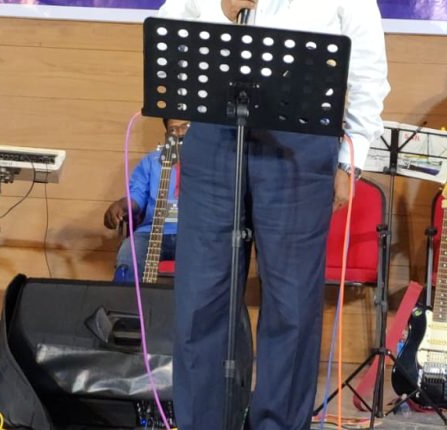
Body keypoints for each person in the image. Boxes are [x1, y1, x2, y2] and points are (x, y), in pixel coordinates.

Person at [156, 1, 390, 429]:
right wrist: (223, 12)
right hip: (215, 131)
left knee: (291, 301)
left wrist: (349, 158)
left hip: (300, 135)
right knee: (200, 297)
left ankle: (277, 423)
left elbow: (368, 70)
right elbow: (169, 28)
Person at [103, 118, 189, 282]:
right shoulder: (151, 161)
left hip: (194, 234)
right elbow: (137, 196)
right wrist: (121, 206)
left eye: (185, 127)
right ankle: (126, 297)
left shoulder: (209, 162)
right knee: (129, 253)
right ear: (166, 135)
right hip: (151, 233)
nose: (179, 133)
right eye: (173, 129)